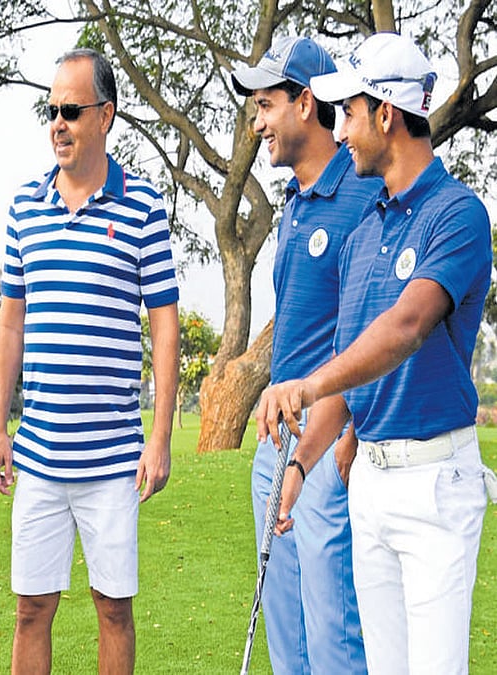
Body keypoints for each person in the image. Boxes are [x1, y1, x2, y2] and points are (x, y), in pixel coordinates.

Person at [256, 32, 495, 674]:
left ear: (386, 114)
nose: (341, 131)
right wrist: (300, 466)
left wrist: (304, 386)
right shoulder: (364, 234)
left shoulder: (458, 214)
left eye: (350, 113)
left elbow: (407, 326)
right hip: (370, 484)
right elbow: (349, 372)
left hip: (435, 483)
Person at [0, 48, 180, 674]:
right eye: (51, 111)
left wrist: (160, 438)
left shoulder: (144, 207)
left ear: (106, 116)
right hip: (39, 457)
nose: (58, 124)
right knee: (30, 610)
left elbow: (165, 325)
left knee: (114, 610)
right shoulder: (24, 208)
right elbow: (10, 322)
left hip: (114, 460)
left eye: (71, 111)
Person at [231, 36, 377, 673]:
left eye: (266, 106)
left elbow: (376, 332)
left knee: (332, 638)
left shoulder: (364, 194)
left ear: (307, 102)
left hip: (327, 439)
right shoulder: (293, 204)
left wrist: (350, 430)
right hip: (276, 444)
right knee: (286, 640)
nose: (257, 123)